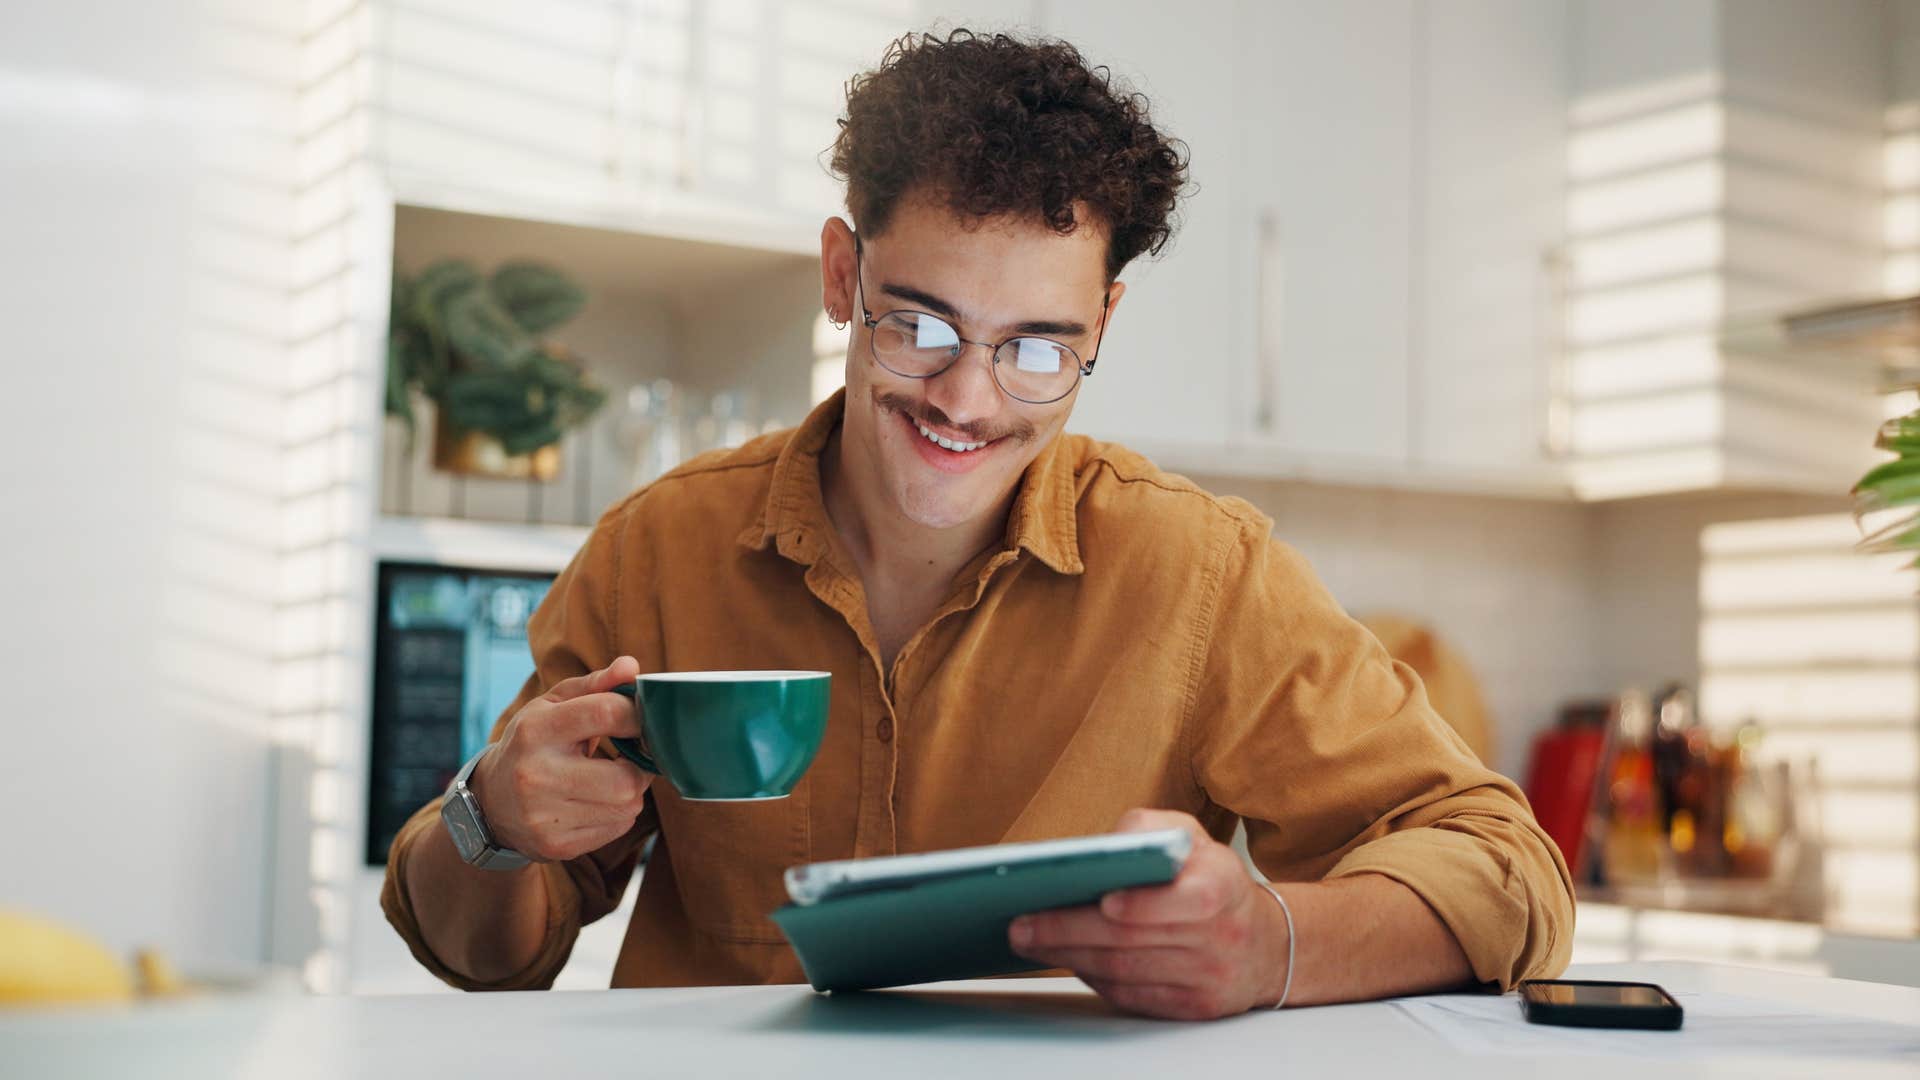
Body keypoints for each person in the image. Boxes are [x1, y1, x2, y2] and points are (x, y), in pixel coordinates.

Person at [382, 28, 1573, 1021]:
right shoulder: (660, 549)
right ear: (844, 275)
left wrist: (1276, 941)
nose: (966, 399)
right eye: (920, 326)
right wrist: (491, 823)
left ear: (1104, 321)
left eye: (1037, 350)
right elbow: (489, 955)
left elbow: (1509, 869)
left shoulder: (1199, 573)